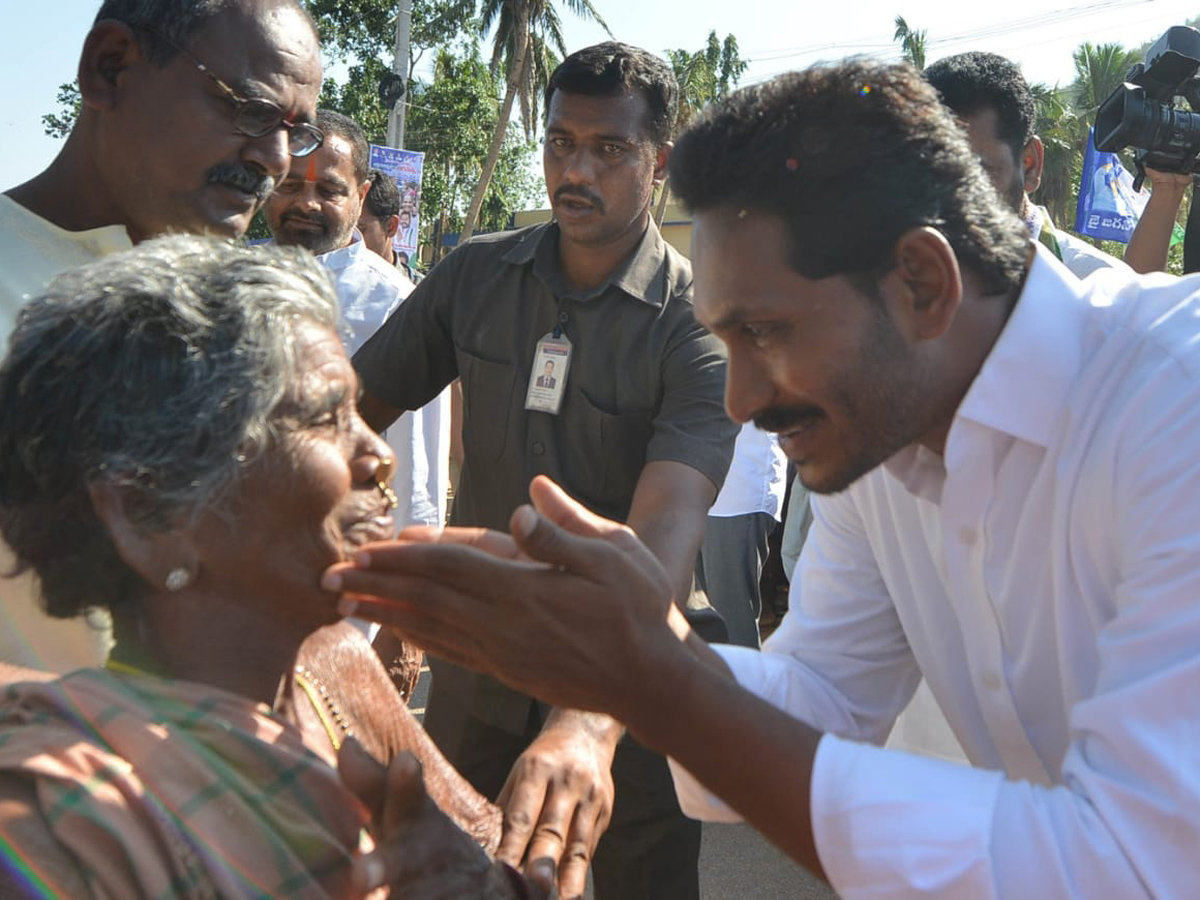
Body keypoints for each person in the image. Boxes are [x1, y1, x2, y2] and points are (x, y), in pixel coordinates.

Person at [327, 59, 1200, 897]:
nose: (740, 402)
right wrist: (622, 648)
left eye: (767, 332)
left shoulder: (1174, 395)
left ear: (923, 284)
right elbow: (822, 696)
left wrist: (646, 679)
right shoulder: (877, 449)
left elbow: (1135, 862)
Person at [0, 236, 545, 899]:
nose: (379, 454)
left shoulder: (334, 665)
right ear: (149, 515)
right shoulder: (63, 823)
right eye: (324, 418)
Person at [352, 41, 737, 900]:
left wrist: (588, 722)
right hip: (476, 680)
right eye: (562, 142)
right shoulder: (473, 276)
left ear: (659, 163)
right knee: (450, 879)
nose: (577, 169)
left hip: (629, 705)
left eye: (610, 149)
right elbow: (341, 419)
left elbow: (663, 536)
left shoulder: (696, 327)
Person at [0, 0, 324, 675]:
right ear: (110, 69)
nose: (276, 159)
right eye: (252, 109)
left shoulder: (244, 314)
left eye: (298, 131)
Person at [264, 110, 448, 532]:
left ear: (360, 196)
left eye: (329, 189)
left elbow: (414, 467)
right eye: (291, 185)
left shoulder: (396, 303)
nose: (306, 203)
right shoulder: (233, 285)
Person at [925, 50, 1129, 279]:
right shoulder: (898, 292)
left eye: (972, 175)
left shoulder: (1098, 289)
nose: (946, 198)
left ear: (1029, 165)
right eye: (928, 174)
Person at [695, 423, 787, 647]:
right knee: (702, 628)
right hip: (699, 492)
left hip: (737, 494)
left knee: (732, 629)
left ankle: (743, 684)